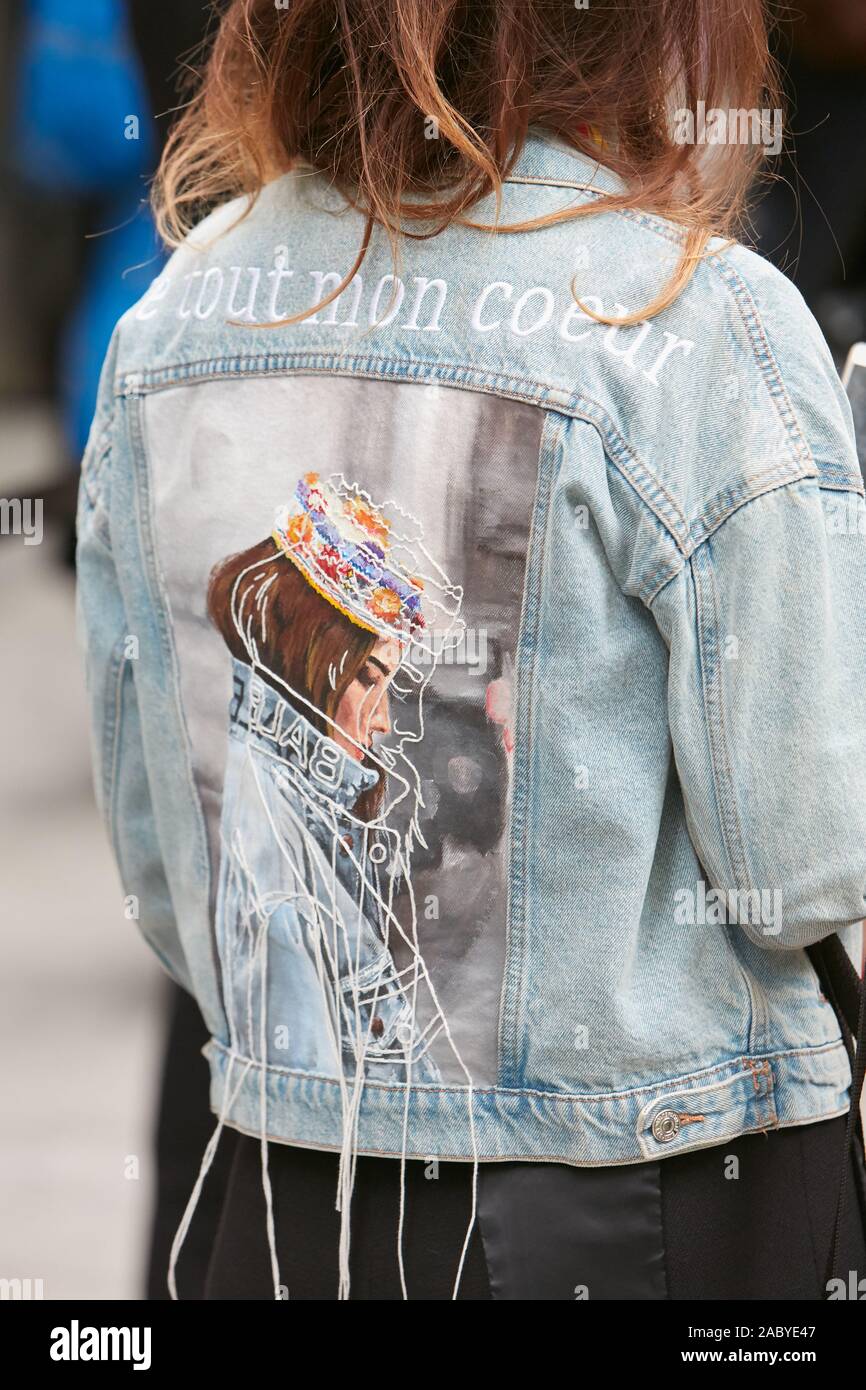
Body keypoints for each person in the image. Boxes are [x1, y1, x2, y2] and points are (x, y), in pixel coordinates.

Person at [76, 0, 866, 1300]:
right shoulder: (690, 315)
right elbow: (805, 859)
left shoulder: (173, 318)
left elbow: (166, 885)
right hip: (656, 1199)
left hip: (284, 1196)